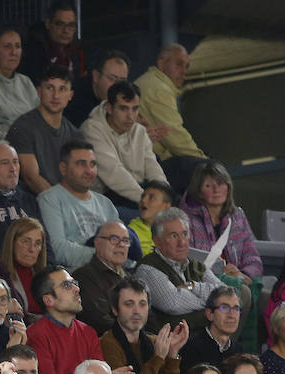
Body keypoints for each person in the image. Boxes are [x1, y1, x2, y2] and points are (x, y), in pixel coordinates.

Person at [100, 276, 185, 374]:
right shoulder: (108, 342)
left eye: (142, 304)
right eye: (129, 304)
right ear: (115, 310)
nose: (136, 311)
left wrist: (172, 355)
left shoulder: (153, 341)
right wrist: (157, 358)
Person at [131, 208, 225, 327]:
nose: (182, 242)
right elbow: (172, 303)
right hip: (172, 341)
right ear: (157, 241)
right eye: (174, 236)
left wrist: (193, 286)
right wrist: (216, 305)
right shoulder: (147, 268)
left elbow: (226, 294)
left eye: (184, 234)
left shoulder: (197, 266)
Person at [38, 140, 121, 271]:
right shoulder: (49, 199)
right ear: (63, 168)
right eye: (81, 164)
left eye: (93, 164)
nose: (89, 170)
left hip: (111, 274)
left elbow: (122, 243)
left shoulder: (105, 203)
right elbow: (57, 249)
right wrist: (105, 255)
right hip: (75, 279)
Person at [134, 44, 207, 192]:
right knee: (202, 172)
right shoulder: (158, 88)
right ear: (161, 64)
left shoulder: (151, 83)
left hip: (143, 165)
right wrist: (206, 163)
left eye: (186, 66)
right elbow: (175, 136)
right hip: (143, 169)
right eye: (179, 64)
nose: (184, 71)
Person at [82, 81, 167, 208]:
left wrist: (164, 196)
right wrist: (147, 202)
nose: (130, 116)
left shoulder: (140, 131)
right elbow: (114, 173)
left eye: (135, 109)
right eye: (123, 108)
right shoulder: (91, 129)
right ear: (109, 108)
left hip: (137, 189)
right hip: (103, 197)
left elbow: (152, 167)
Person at [25, 267, 105, 374]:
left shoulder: (88, 332)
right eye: (67, 285)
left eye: (75, 283)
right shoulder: (36, 335)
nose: (77, 289)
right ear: (49, 300)